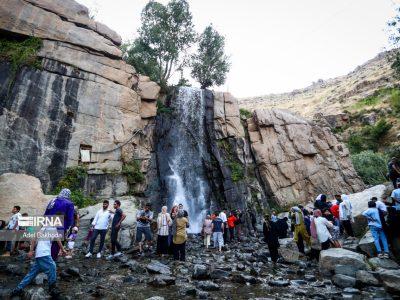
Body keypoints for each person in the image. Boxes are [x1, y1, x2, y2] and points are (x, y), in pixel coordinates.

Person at [10, 226, 65, 298]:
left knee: (31, 274)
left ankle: (17, 290)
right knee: (52, 267)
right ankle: (52, 288)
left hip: (40, 254)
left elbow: (58, 239)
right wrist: (31, 250)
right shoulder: (49, 227)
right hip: (43, 253)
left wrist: (63, 250)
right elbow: (34, 238)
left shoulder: (50, 228)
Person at [44, 188, 75, 261]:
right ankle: (52, 259)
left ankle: (44, 257)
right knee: (57, 242)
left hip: (49, 222)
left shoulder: (52, 200)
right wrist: (68, 227)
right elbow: (70, 217)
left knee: (47, 241)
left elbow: (46, 212)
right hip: (61, 224)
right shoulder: (69, 203)